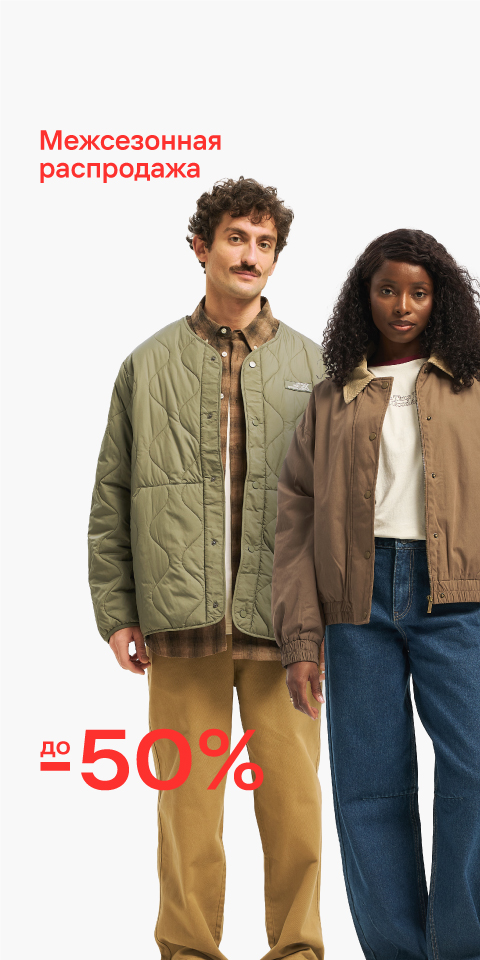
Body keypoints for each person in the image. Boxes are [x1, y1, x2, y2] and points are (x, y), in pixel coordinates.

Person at [88, 177, 325, 960]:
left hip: (285, 629)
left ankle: (298, 950)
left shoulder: (312, 364)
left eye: (265, 243)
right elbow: (112, 495)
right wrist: (118, 611)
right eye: (236, 238)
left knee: (294, 808)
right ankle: (189, 951)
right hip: (180, 624)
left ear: (275, 258)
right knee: (186, 808)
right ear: (201, 246)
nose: (250, 255)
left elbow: (341, 507)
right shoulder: (146, 363)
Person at [272, 228, 480, 960]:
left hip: (457, 598)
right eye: (387, 289)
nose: (402, 305)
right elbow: (295, 519)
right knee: (368, 787)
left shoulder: (471, 386)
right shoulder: (333, 398)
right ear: (364, 297)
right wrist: (302, 640)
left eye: (419, 292)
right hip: (354, 605)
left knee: (473, 770)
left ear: (440, 299)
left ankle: (461, 945)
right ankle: (396, 951)